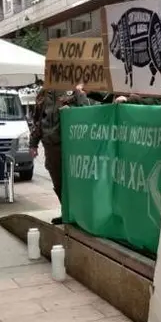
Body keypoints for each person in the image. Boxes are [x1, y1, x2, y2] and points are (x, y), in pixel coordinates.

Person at [29, 87, 93, 224]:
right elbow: (37, 119)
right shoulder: (43, 92)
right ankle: (66, 212)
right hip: (51, 144)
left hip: (71, 143)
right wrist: (33, 143)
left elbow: (86, 110)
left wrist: (72, 111)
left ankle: (80, 214)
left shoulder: (75, 90)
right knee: (58, 181)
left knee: (75, 182)